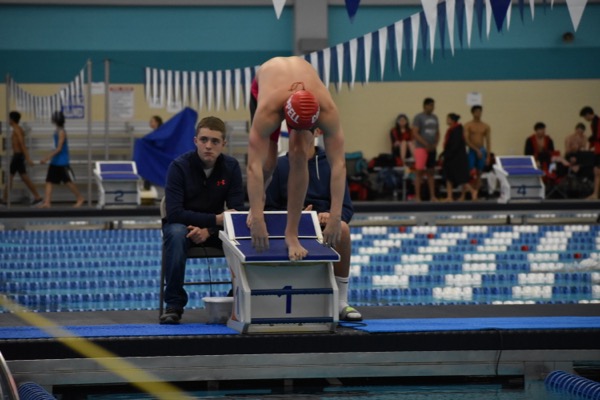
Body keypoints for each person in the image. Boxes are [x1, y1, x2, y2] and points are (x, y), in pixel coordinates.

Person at [247, 56, 346, 261]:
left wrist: (336, 215)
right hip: (266, 82)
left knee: (300, 153)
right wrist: (257, 216)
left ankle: (291, 234)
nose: (297, 133)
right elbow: (252, 166)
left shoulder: (327, 110)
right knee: (268, 163)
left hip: (303, 90)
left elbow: (339, 164)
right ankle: (259, 201)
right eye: (295, 128)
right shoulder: (268, 111)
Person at [265, 128, 362, 321]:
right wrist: (294, 215)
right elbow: (269, 208)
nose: (299, 135)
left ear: (317, 132)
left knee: (342, 228)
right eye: (294, 129)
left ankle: (341, 301)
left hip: (324, 227)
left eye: (305, 130)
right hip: (291, 227)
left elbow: (346, 209)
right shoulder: (280, 166)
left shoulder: (332, 165)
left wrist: (331, 215)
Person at [160, 116, 244, 324]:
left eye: (215, 141)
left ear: (223, 144)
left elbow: (236, 213)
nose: (208, 146)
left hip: (214, 231)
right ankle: (174, 304)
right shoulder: (179, 167)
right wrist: (214, 220)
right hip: (183, 228)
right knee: (176, 233)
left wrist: (210, 230)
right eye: (204, 140)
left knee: (246, 233)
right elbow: (174, 213)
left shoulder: (231, 167)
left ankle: (236, 296)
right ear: (195, 140)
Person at [38, 111, 84, 208]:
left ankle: (80, 198)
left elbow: (59, 149)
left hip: (62, 162)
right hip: (55, 161)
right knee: (49, 181)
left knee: (68, 181)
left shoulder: (62, 132)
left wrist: (46, 158)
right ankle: (47, 202)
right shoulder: (57, 130)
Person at [1, 111, 43, 206]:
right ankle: (38, 197)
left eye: (9, 118)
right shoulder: (16, 129)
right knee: (23, 178)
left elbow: (22, 145)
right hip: (18, 156)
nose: (8, 120)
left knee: (10, 178)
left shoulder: (17, 130)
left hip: (18, 157)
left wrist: (28, 159)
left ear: (12, 119)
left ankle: (4, 200)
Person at [441, 113, 477, 201]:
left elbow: (455, 146)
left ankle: (472, 191)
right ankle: (449, 196)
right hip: (451, 157)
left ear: (452, 120)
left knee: (461, 178)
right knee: (449, 177)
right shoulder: (452, 130)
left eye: (448, 119)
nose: (447, 120)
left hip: (456, 158)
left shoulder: (457, 130)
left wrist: (447, 154)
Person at [411, 98, 440, 201]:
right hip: (421, 149)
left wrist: (435, 144)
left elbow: (437, 133)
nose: (432, 107)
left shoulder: (435, 118)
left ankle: (432, 196)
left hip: (432, 148)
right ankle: (417, 196)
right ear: (425, 106)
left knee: (431, 173)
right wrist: (425, 144)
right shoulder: (418, 117)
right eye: (431, 105)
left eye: (433, 105)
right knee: (419, 173)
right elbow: (415, 133)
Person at [464, 105, 491, 198]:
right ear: (472, 113)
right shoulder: (468, 125)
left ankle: (476, 192)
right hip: (472, 150)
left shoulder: (485, 126)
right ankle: (466, 194)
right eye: (476, 112)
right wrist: (476, 150)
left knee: (479, 173)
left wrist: (488, 156)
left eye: (480, 112)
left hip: (481, 150)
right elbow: (466, 140)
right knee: (470, 173)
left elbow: (488, 142)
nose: (478, 114)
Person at [580, 106, 600, 200]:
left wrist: (589, 140)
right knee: (596, 172)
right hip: (597, 150)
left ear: (588, 115)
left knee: (597, 172)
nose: (585, 119)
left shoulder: (597, 122)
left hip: (599, 150)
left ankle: (596, 194)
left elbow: (597, 136)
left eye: (585, 117)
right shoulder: (594, 123)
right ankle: (595, 194)